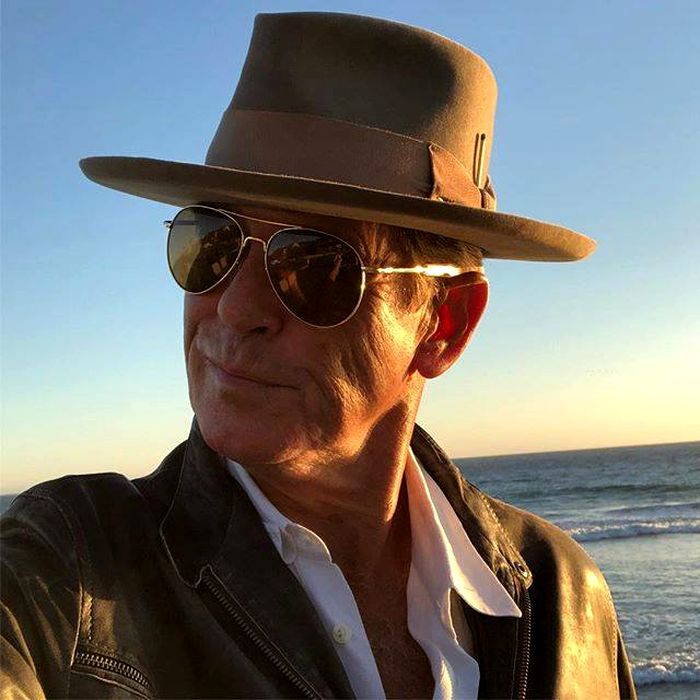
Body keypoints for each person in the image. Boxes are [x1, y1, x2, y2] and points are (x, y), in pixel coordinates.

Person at [1, 12, 636, 700]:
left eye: (313, 264)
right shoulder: (66, 572)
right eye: (211, 243)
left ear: (443, 325)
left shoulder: (564, 597)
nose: (234, 308)